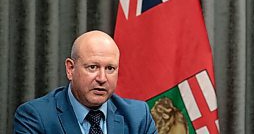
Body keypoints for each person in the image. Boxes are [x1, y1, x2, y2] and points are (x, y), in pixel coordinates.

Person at [13, 30, 158, 133]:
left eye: (110, 68)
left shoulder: (138, 116)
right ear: (70, 69)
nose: (102, 78)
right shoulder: (35, 117)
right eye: (92, 67)